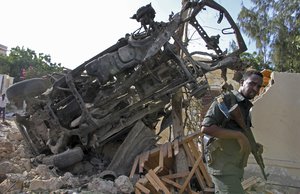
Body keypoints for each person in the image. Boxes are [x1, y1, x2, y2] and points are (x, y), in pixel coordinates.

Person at [201, 69, 263, 193]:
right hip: (222, 165)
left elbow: (240, 131)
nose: (255, 89)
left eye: (259, 86)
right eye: (252, 83)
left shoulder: (245, 107)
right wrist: (238, 136)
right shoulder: (226, 100)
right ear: (242, 82)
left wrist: (253, 146)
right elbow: (206, 128)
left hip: (235, 166)